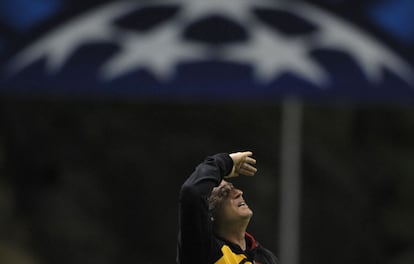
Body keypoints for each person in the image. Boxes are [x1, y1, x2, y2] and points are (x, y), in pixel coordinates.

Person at [177, 151, 278, 264]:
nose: (239, 192)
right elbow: (192, 192)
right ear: (209, 215)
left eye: (233, 187)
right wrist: (225, 162)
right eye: (224, 192)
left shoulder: (263, 257)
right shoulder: (203, 252)